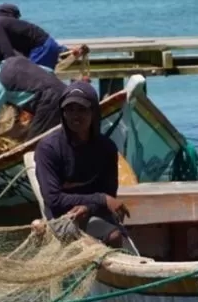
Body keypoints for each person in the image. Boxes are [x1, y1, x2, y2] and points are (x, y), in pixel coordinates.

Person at [34, 82, 132, 250]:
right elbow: (53, 199)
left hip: (94, 213)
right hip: (62, 217)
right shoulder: (48, 148)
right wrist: (101, 199)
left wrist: (89, 206)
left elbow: (109, 192)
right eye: (69, 110)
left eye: (82, 109)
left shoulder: (106, 148)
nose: (75, 115)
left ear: (94, 112)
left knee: (115, 236)